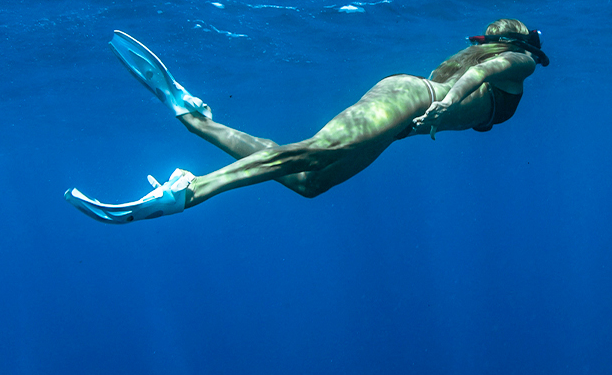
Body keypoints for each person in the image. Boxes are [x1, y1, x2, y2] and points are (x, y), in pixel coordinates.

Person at [65, 19, 549, 223]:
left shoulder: (481, 55)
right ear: (526, 46)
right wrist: (450, 102)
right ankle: (190, 191)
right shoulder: (522, 62)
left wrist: (445, 106)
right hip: (412, 98)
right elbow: (488, 70)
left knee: (307, 182)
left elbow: (480, 67)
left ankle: (193, 118)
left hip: (403, 113)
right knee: (317, 151)